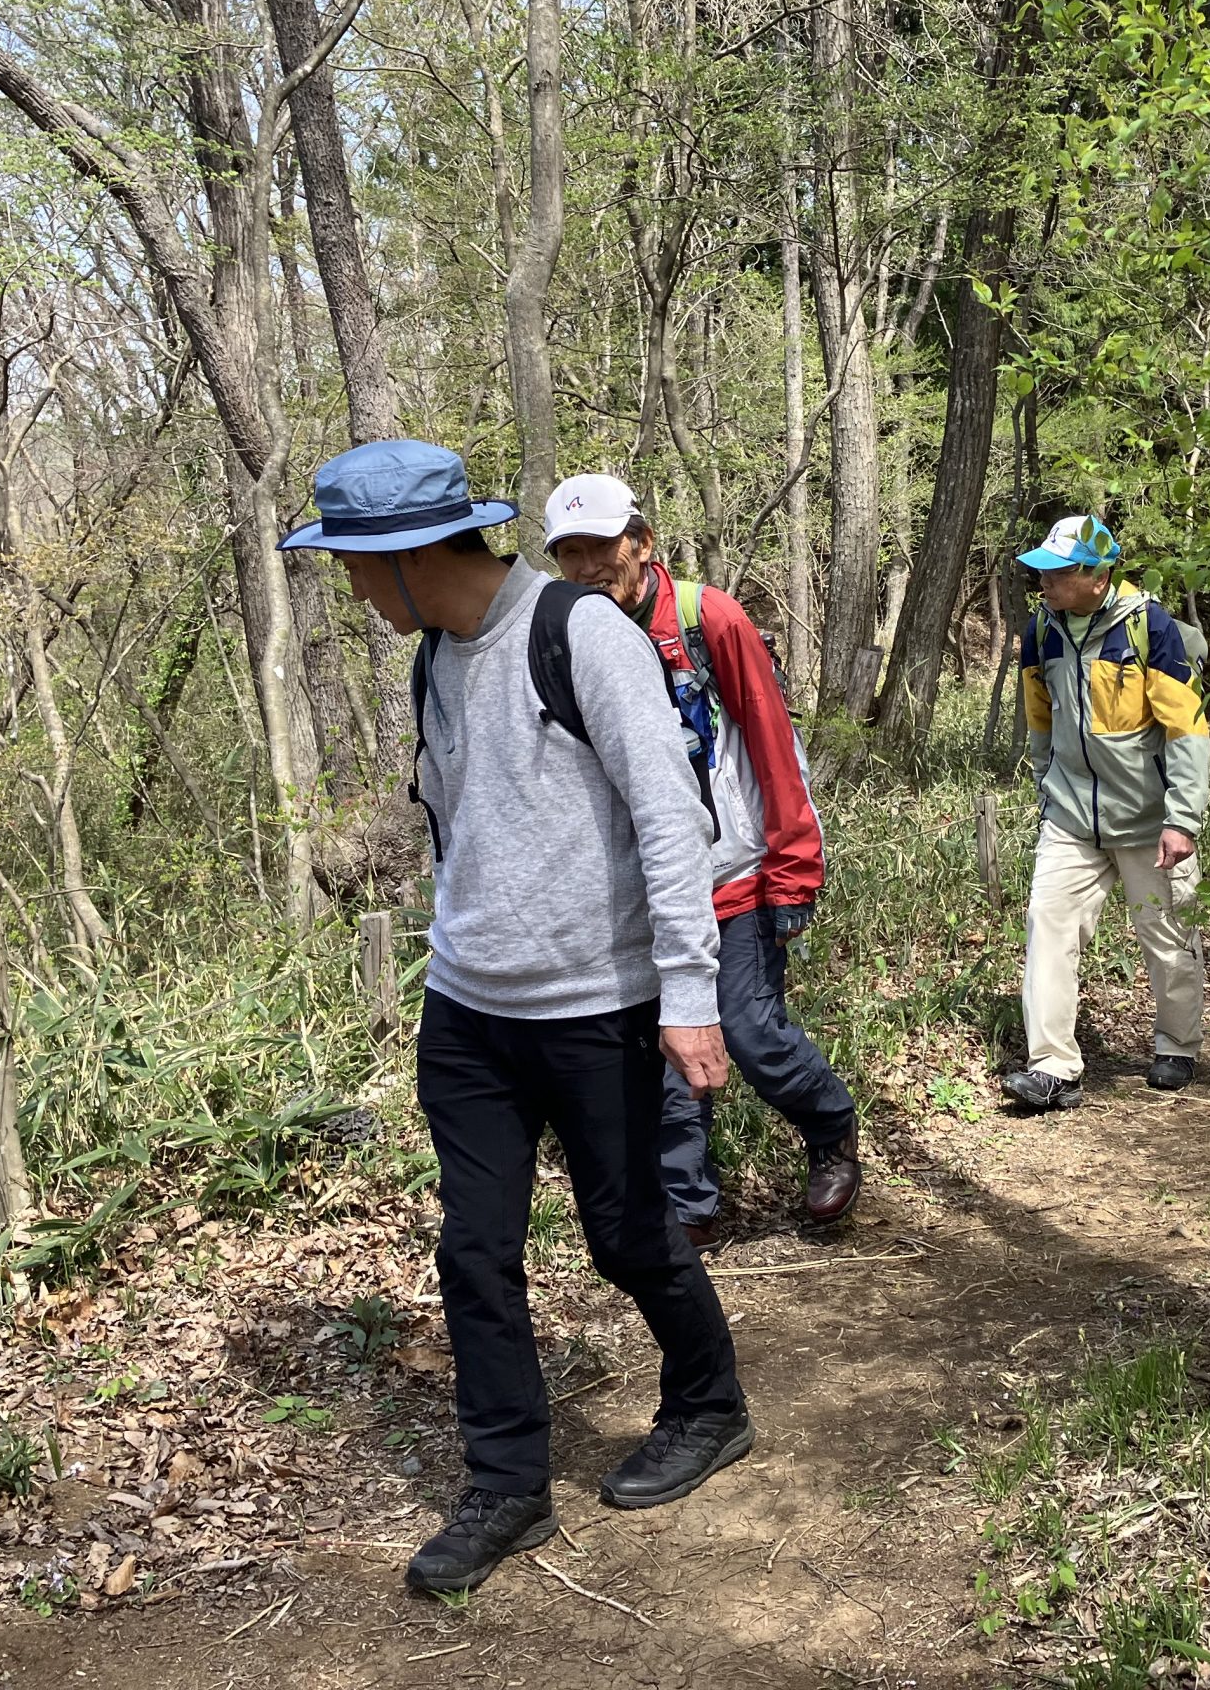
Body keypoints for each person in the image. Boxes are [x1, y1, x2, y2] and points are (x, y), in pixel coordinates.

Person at [281, 440, 753, 1598]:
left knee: (628, 1233)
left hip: (601, 1005)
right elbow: (463, 824)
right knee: (474, 1252)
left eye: (348, 563)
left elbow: (670, 817)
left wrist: (689, 998)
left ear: (405, 557)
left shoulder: (579, 634)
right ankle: (507, 1486)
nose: (343, 587)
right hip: (469, 1012)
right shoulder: (433, 656)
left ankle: (709, 1405)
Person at [542, 473, 861, 1248]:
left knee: (750, 1032)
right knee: (669, 1048)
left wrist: (796, 867)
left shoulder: (703, 616)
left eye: (601, 546)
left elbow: (773, 741)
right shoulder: (568, 637)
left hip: (739, 872)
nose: (587, 566)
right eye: (569, 552)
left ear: (640, 543)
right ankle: (689, 1206)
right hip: (647, 887)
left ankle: (830, 1126)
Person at [1002, 515, 1210, 1113]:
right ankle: (1053, 1068)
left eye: (1056, 572)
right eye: (1041, 571)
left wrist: (1182, 819)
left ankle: (1177, 1043)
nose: (1042, 582)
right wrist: (1045, 784)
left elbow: (1187, 730)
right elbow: (1039, 713)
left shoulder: (1151, 628)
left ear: (1096, 576)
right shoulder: (1041, 628)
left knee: (1167, 936)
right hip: (1070, 818)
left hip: (1151, 820)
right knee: (1049, 925)